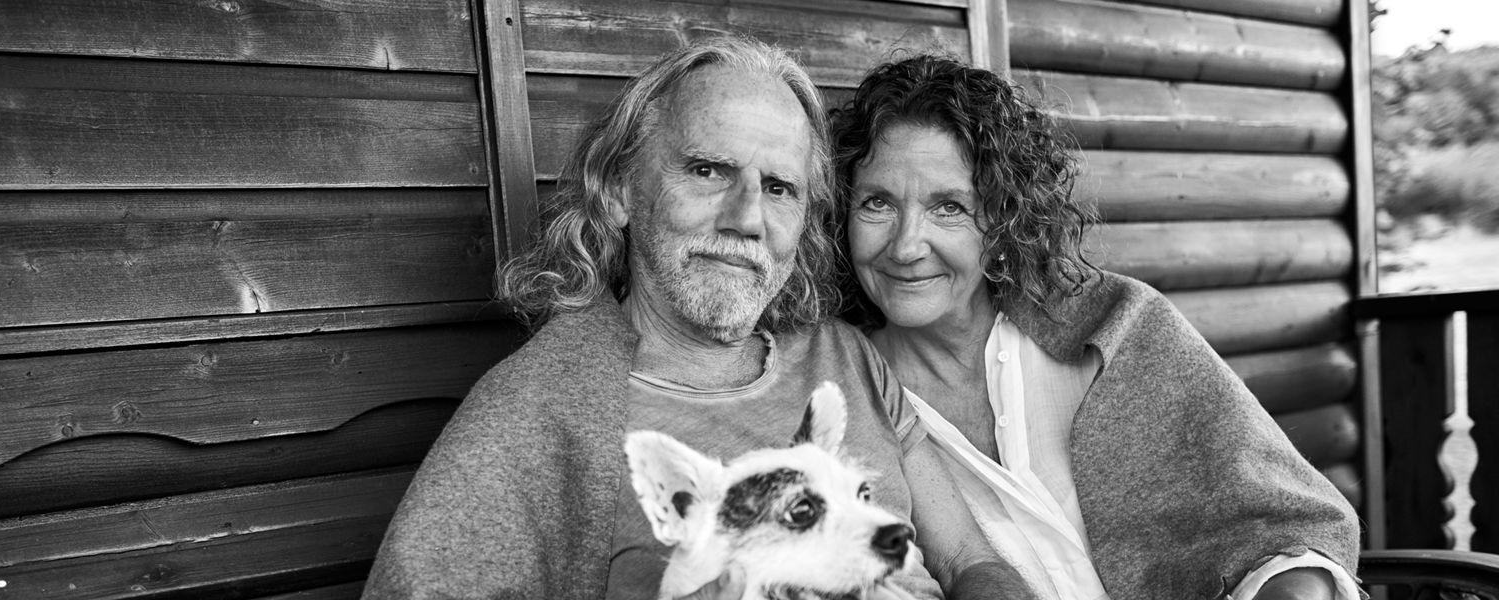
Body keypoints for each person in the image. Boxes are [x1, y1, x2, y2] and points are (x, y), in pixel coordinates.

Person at [363, 38, 1023, 600]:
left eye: (779, 188)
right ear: (620, 190)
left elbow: (969, 559)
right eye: (708, 170)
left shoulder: (843, 356)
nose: (747, 219)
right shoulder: (539, 411)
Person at [828, 54, 1363, 600]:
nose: (906, 246)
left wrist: (1296, 584)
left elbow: (1288, 526)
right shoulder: (842, 391)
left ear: (1004, 217)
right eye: (877, 203)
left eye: (948, 207)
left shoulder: (1117, 329)